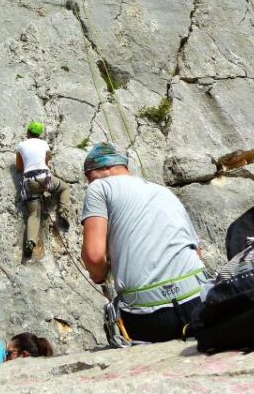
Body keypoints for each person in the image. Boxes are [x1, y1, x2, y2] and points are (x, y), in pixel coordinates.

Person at [80, 142, 207, 343]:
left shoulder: (100, 187)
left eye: (89, 177)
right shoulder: (163, 191)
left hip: (150, 315)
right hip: (199, 299)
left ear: (105, 168)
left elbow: (94, 256)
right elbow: (197, 252)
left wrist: (99, 274)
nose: (89, 183)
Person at [15, 121, 71, 258]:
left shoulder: (21, 145)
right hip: (45, 179)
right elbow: (46, 161)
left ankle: (31, 241)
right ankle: (62, 211)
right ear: (39, 134)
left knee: (33, 214)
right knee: (64, 188)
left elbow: (19, 166)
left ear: (28, 132)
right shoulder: (44, 144)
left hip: (30, 182)